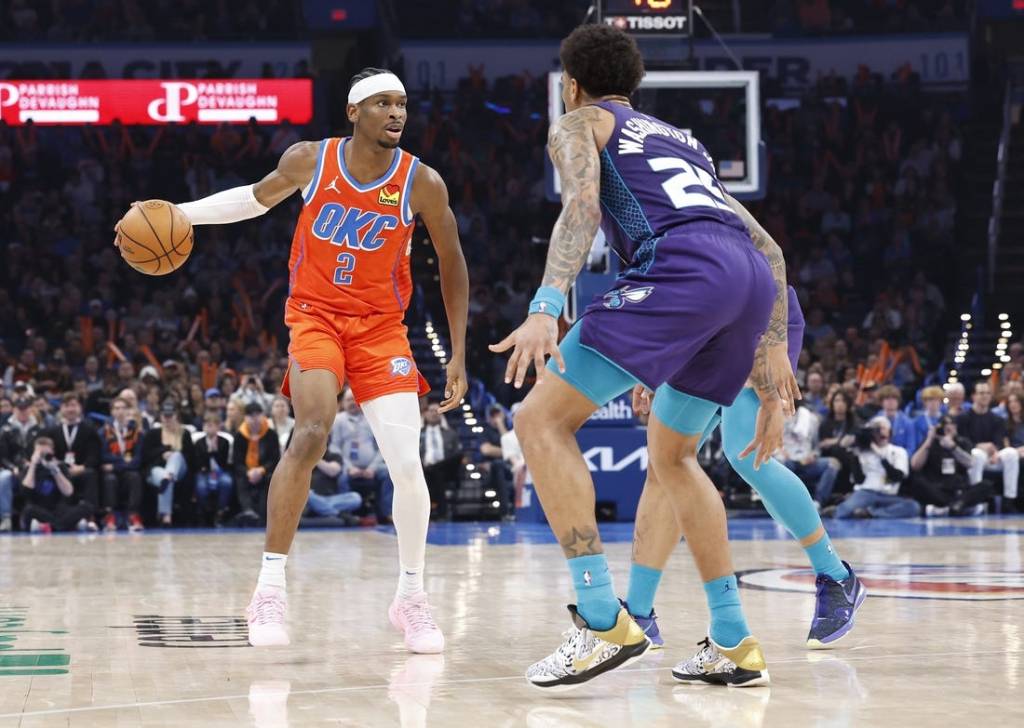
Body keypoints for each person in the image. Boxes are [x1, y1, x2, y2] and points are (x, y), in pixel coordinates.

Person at [117, 66, 470, 651]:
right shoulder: (312, 159)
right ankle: (269, 589)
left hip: (382, 328)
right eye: (383, 103)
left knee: (407, 465)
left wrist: (457, 352)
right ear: (354, 111)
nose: (396, 113)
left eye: (402, 104)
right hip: (316, 316)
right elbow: (253, 201)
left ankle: (411, 597)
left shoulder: (421, 182)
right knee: (310, 430)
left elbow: (452, 262)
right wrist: (181, 213)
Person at [491, 25, 796, 690]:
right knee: (674, 456)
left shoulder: (578, 122)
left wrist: (546, 305)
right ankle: (733, 638)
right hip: (746, 282)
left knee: (539, 422)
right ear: (635, 83)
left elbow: (583, 205)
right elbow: (769, 250)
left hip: (683, 270)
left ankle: (602, 618)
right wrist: (773, 360)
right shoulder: (681, 140)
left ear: (571, 82)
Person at [628, 288, 864, 663]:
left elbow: (765, 262)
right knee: (664, 463)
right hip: (705, 329)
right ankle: (638, 616)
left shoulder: (702, 236)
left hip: (759, 315)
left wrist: (769, 391)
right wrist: (655, 364)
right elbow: (670, 302)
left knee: (747, 454)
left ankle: (835, 575)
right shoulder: (633, 240)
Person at [833, 417, 918, 519]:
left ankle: (871, 513)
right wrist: (855, 456)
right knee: (842, 513)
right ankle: (843, 508)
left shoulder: (898, 451)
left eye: (882, 428)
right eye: (876, 430)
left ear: (890, 432)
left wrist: (880, 455)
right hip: (866, 493)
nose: (879, 433)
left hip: (889, 495)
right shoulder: (863, 451)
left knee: (913, 507)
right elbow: (858, 480)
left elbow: (897, 477)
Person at [331, 388, 394, 524]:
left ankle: (386, 513)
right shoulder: (337, 420)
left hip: (371, 466)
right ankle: (347, 515)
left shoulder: (373, 418)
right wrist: (349, 467)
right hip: (348, 466)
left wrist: (372, 468)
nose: (352, 403)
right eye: (348, 400)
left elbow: (382, 447)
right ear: (342, 403)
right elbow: (334, 447)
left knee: (389, 473)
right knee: (341, 476)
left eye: (354, 399)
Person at [911, 415, 991, 517]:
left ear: (956, 427)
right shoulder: (930, 442)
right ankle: (958, 506)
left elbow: (970, 463)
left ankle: (948, 508)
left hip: (959, 489)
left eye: (951, 424)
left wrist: (953, 447)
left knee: (986, 485)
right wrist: (928, 441)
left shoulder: (962, 442)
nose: (948, 427)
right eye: (945, 425)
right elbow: (915, 465)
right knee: (917, 482)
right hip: (938, 489)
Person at [958, 382, 1019, 510]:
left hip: (993, 458)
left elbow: (999, 442)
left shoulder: (998, 419)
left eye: (987, 393)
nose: (984, 396)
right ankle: (976, 498)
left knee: (1011, 453)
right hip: (972, 458)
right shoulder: (963, 418)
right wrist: (978, 446)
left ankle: (1009, 500)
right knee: (977, 454)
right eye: (981, 393)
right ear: (974, 396)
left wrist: (996, 452)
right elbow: (962, 442)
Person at [47, 392, 102, 531]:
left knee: (91, 474)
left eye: (73, 405)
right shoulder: (52, 430)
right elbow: (48, 453)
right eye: (66, 406)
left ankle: (90, 517)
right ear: (61, 409)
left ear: (80, 408)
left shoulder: (89, 429)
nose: (70, 409)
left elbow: (95, 454)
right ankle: (65, 516)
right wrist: (59, 467)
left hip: (82, 470)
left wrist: (82, 466)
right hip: (60, 471)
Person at [19, 435, 93, 533]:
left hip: (59, 509)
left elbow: (68, 492)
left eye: (46, 453)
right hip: (39, 508)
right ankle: (67, 525)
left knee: (87, 507)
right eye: (41, 454)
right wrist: (33, 464)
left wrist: (55, 471)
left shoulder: (60, 467)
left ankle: (49, 526)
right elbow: (26, 490)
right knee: (28, 511)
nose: (43, 456)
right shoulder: (29, 468)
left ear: (52, 452)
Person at [141, 399, 196, 527]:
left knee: (176, 455)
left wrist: (171, 456)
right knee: (165, 480)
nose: (167, 419)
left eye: (170, 416)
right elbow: (146, 456)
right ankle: (166, 517)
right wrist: (163, 454)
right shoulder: (152, 434)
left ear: (176, 415)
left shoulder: (185, 434)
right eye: (165, 416)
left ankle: (169, 475)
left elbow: (190, 457)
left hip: (179, 469)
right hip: (156, 470)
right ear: (160, 416)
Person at [99, 396, 144, 532]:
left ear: (128, 411)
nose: (120, 412)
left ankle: (133, 515)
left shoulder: (137, 433)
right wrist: (123, 462)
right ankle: (110, 516)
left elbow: (138, 459)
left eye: (123, 408)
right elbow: (103, 456)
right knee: (110, 478)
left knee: (135, 476)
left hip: (127, 471)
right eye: (116, 408)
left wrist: (116, 464)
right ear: (112, 412)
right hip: (112, 472)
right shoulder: (104, 432)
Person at [232, 402, 281, 524]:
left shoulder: (271, 435)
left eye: (257, 415)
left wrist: (261, 470)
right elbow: (237, 462)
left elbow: (275, 459)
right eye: (251, 416)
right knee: (239, 478)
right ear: (245, 418)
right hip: (246, 473)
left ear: (263, 416)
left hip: (265, 472)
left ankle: (264, 514)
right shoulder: (239, 436)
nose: (255, 419)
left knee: (271, 479)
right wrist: (248, 472)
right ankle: (247, 510)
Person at [0, 398, 42, 532]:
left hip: (34, 467)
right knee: (4, 477)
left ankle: (36, 516)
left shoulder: (39, 429)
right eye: (20, 408)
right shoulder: (5, 430)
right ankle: (6, 517)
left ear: (31, 409)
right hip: (12, 469)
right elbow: (3, 456)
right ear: (14, 410)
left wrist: (34, 463)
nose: (23, 411)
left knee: (41, 475)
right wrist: (12, 468)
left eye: (26, 408)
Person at [419, 401, 462, 519]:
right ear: (425, 414)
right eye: (431, 411)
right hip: (424, 469)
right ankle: (440, 512)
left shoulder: (451, 433)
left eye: (438, 411)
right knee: (432, 472)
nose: (434, 414)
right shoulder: (418, 433)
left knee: (443, 467)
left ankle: (436, 510)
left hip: (446, 468)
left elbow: (457, 454)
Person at [193, 411, 234, 526]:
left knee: (227, 482)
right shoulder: (199, 443)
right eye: (206, 425)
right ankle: (206, 513)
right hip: (204, 472)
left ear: (218, 426)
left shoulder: (224, 442)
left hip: (221, 471)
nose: (208, 428)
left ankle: (220, 512)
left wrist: (215, 451)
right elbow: (198, 463)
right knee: (201, 486)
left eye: (211, 425)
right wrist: (208, 452)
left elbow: (225, 462)